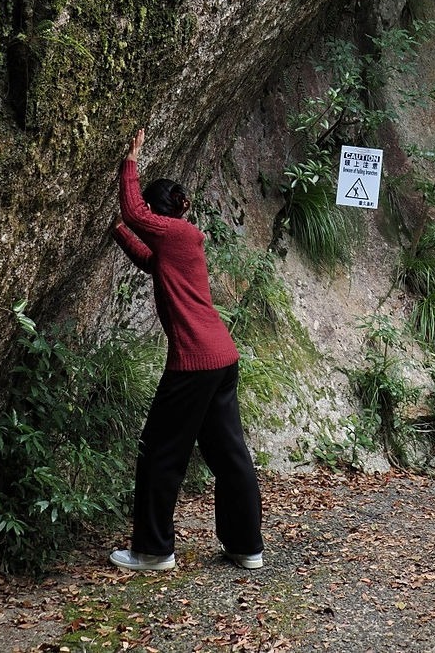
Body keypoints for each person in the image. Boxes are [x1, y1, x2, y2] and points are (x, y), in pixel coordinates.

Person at [109, 128, 264, 572]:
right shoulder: (179, 245)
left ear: (159, 216)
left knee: (159, 452)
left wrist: (131, 161)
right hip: (221, 358)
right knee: (229, 455)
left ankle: (153, 551)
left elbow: (134, 211)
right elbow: (149, 260)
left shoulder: (175, 232)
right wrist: (118, 232)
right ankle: (246, 547)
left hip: (194, 362)